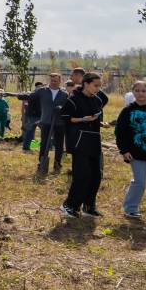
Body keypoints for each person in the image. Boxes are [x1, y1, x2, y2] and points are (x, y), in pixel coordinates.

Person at [60, 71, 105, 218]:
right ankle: (69, 205)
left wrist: (102, 123)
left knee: (96, 175)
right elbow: (66, 118)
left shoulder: (97, 100)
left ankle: (89, 206)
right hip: (79, 141)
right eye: (95, 85)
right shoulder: (73, 99)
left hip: (94, 140)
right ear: (86, 84)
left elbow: (96, 118)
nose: (98, 88)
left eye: (99, 86)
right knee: (82, 175)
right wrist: (82, 119)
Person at [115, 80, 146, 219]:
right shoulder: (127, 111)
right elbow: (120, 132)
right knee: (140, 182)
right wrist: (124, 151)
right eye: (137, 90)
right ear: (133, 92)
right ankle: (131, 208)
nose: (141, 93)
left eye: (144, 90)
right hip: (136, 153)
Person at [31, 73, 68, 175]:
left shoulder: (64, 94)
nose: (53, 82)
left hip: (59, 123)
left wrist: (61, 110)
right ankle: (42, 163)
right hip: (46, 121)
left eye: (55, 81)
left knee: (59, 144)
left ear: (59, 81)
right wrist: (12, 94)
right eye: (52, 80)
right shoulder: (42, 91)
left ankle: (57, 163)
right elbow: (30, 96)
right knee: (44, 143)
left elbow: (68, 108)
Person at [21, 82, 45, 152]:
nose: (40, 88)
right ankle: (26, 147)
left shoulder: (39, 94)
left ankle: (47, 146)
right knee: (30, 132)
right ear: (37, 87)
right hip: (34, 116)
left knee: (44, 131)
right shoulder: (34, 94)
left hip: (38, 116)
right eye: (40, 87)